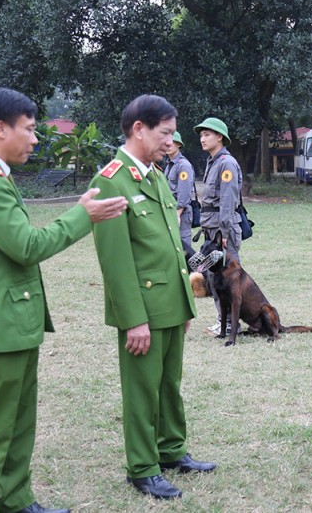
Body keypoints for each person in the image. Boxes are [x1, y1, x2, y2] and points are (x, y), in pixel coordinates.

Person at [0, 87, 127, 513]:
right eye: (29, 130)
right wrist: (85, 214)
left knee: (16, 423)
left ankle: (15, 500)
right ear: (0, 128)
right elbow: (26, 246)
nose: (35, 139)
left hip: (8, 325)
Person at [89, 95, 215, 500]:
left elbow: (170, 246)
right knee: (143, 390)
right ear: (138, 129)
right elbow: (116, 260)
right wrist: (133, 319)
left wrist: (184, 301)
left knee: (168, 384)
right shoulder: (111, 179)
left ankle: (171, 449)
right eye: (164, 133)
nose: (170, 141)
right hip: (142, 308)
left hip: (169, 303)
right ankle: (142, 467)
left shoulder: (155, 174)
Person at [193, 117, 242, 336]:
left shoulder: (226, 163)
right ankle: (224, 321)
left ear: (220, 136)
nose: (202, 139)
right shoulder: (213, 162)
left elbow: (228, 201)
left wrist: (224, 231)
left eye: (207, 134)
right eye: (201, 135)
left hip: (223, 232)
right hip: (212, 231)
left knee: (228, 278)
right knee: (214, 278)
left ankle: (233, 324)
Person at [164, 130, 196, 253]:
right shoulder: (169, 164)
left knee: (184, 249)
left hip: (181, 213)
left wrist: (177, 214)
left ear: (179, 145)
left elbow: (184, 193)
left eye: (172, 142)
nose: (168, 145)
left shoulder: (183, 165)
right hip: (171, 211)